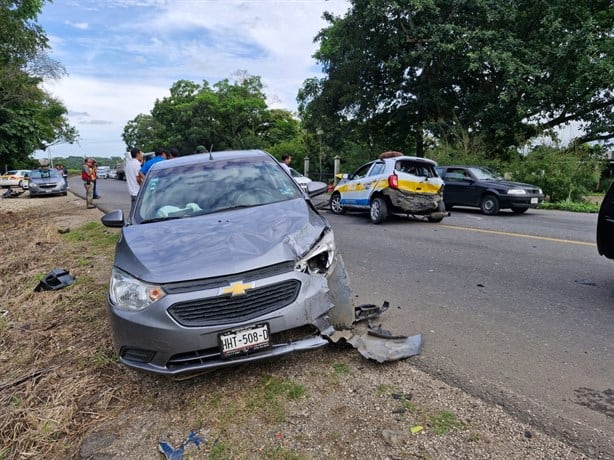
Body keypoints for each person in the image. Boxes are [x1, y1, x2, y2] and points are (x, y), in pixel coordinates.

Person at [126, 147, 144, 216]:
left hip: (132, 190)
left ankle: (130, 221)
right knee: (137, 212)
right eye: (141, 154)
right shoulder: (136, 164)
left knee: (134, 209)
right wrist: (143, 186)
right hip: (138, 191)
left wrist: (141, 162)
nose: (142, 155)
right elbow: (138, 178)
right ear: (137, 154)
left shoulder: (128, 164)